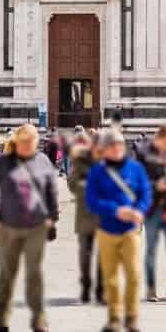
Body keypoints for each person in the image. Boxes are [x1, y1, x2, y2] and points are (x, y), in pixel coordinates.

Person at [0, 123, 59, 332]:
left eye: (31, 142)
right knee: (7, 273)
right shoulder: (2, 163)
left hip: (36, 226)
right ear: (16, 142)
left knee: (35, 273)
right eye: (24, 142)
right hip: (8, 227)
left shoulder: (42, 161)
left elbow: (52, 191)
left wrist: (53, 217)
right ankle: (2, 319)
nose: (28, 146)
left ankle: (39, 319)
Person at [83, 127, 151, 332]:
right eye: (111, 145)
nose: (116, 148)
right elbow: (91, 201)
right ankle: (114, 318)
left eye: (119, 144)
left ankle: (131, 317)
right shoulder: (97, 172)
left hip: (131, 229)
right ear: (104, 149)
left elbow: (145, 194)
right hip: (107, 230)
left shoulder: (135, 168)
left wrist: (139, 210)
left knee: (134, 275)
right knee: (111, 278)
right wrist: (115, 210)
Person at [136, 123, 166, 304]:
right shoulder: (144, 153)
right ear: (161, 137)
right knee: (151, 250)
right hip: (152, 209)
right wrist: (156, 185)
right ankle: (151, 288)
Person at [65, 131, 105, 306]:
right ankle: (86, 287)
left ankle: (101, 290)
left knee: (104, 255)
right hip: (85, 214)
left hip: (105, 215)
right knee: (85, 254)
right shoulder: (79, 161)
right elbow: (72, 184)